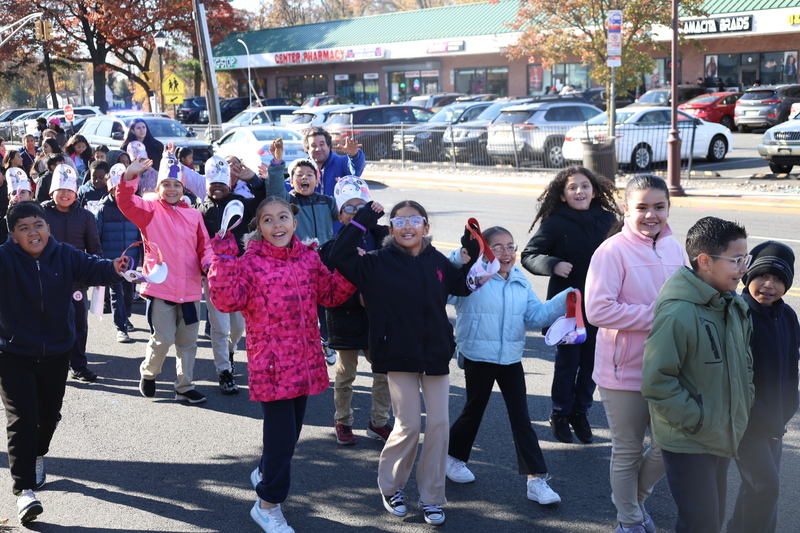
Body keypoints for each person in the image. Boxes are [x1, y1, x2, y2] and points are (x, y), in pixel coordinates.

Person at [207, 195, 356, 533]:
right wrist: (223, 258)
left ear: (294, 222)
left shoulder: (307, 257)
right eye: (268, 220)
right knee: (281, 441)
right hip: (272, 367)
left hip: (304, 361)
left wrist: (351, 267)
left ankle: (264, 473)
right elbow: (227, 300)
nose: (278, 225)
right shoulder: (248, 261)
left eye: (283, 217)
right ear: (258, 228)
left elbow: (330, 294)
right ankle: (267, 504)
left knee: (289, 438)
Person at [329, 200, 480, 526]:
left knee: (439, 426)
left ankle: (432, 499)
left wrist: (472, 254)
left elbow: (458, 286)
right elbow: (338, 255)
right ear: (391, 228)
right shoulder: (375, 262)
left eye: (415, 221)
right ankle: (392, 487)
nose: (408, 227)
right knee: (409, 425)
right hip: (397, 353)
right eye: (400, 221)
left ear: (425, 227)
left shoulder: (437, 260)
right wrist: (364, 219)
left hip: (435, 353)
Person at [0, 201, 126, 524]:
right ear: (13, 235)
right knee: (21, 418)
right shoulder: (4, 259)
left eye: (38, 225)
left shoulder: (65, 254)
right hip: (13, 355)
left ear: (47, 228)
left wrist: (115, 268)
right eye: (24, 228)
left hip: (57, 352)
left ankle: (38, 452)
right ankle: (24, 491)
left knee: (48, 415)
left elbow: (93, 268)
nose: (33, 232)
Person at [585, 175, 686, 533]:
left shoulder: (676, 248)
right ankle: (628, 521)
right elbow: (598, 310)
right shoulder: (611, 251)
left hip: (670, 370)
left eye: (659, 207)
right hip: (622, 371)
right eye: (641, 207)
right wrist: (658, 316)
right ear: (627, 209)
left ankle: (632, 502)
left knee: (668, 446)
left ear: (668, 208)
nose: (651, 215)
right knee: (627, 451)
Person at [641, 216, 753, 533]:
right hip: (690, 438)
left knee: (711, 520)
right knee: (700, 522)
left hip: (720, 431)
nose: (743, 267)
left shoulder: (731, 305)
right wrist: (698, 419)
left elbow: (745, 363)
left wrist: (743, 406)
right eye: (735, 260)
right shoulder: (679, 312)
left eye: (745, 258)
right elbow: (657, 381)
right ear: (704, 261)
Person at [445, 225, 571, 505]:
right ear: (485, 250)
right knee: (473, 411)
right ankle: (452, 458)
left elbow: (536, 316)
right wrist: (461, 257)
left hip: (511, 358)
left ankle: (536, 480)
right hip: (478, 355)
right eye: (498, 247)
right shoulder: (472, 276)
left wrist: (565, 299)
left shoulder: (520, 279)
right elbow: (445, 285)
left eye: (511, 246)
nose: (506, 253)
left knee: (521, 419)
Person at [521, 166, 619, 444]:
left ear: (595, 191)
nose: (580, 191)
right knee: (568, 363)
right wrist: (553, 264)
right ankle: (561, 413)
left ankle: (581, 412)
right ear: (563, 196)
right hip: (568, 308)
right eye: (573, 187)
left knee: (592, 363)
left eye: (585, 186)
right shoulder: (555, 222)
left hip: (601, 305)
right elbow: (530, 255)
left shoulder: (609, 220)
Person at [117, 153, 212, 404]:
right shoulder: (149, 209)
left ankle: (184, 386)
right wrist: (129, 176)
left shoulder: (193, 215)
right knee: (163, 339)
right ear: (158, 187)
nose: (171, 189)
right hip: (161, 286)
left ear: (183, 188)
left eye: (176, 184)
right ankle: (149, 373)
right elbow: (125, 202)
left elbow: (205, 246)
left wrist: (209, 264)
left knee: (188, 342)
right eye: (166, 184)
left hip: (191, 289)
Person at [727, 241, 798, 533]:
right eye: (762, 276)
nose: (769, 285)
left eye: (779, 279)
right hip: (748, 420)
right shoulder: (740, 312)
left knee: (755, 489)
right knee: (766, 488)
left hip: (776, 419)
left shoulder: (787, 315)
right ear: (748, 277)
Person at [318, 176, 392, 446]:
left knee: (383, 372)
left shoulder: (385, 239)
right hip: (346, 320)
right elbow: (327, 291)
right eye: (350, 208)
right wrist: (357, 299)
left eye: (362, 207)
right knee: (345, 375)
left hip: (378, 320)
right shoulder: (332, 249)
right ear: (340, 214)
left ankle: (379, 421)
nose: (357, 213)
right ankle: (343, 420)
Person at [264, 143, 340, 365]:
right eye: (299, 175)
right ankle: (304, 347)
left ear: (317, 179)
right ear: (292, 180)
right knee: (302, 306)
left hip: (325, 259)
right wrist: (277, 163)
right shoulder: (289, 201)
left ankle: (327, 341)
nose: (305, 179)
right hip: (298, 261)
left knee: (325, 304)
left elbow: (342, 217)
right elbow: (274, 191)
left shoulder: (328, 201)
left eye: (310, 175)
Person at [198, 156, 257, 395]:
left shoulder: (242, 203)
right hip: (213, 276)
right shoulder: (200, 210)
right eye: (213, 183)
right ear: (207, 184)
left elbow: (267, 199)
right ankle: (224, 370)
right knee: (219, 326)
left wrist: (255, 180)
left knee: (238, 326)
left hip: (241, 274)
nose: (218, 187)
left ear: (230, 183)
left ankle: (229, 352)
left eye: (222, 182)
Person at [42, 164, 104, 382]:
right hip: (46, 279)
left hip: (76, 280)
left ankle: (78, 364)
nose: (65, 194)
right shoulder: (41, 212)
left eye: (70, 190)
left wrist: (99, 271)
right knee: (48, 323)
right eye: (61, 189)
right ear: (52, 192)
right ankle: (49, 363)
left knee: (78, 323)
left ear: (76, 192)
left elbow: (94, 247)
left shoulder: (86, 216)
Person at [95, 163, 142, 344]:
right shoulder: (103, 209)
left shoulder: (135, 205)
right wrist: (99, 259)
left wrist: (143, 257)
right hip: (112, 261)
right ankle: (120, 328)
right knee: (117, 294)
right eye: (116, 188)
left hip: (131, 259)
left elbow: (141, 233)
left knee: (129, 293)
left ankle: (126, 317)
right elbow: (96, 236)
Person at [303, 127, 365, 195]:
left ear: (329, 146)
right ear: (307, 149)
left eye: (322, 144)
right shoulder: (302, 168)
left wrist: (354, 155)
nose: (318, 149)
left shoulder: (341, 163)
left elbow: (355, 171)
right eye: (313, 145)